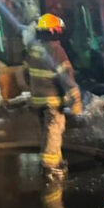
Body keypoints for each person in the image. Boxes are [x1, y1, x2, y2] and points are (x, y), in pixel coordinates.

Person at [25, 14, 82, 181]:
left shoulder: (33, 49)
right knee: (54, 131)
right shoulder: (56, 50)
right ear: (55, 31)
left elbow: (25, 73)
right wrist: (75, 99)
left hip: (38, 100)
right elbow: (65, 77)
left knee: (47, 132)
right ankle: (50, 168)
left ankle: (53, 162)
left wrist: (34, 90)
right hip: (53, 101)